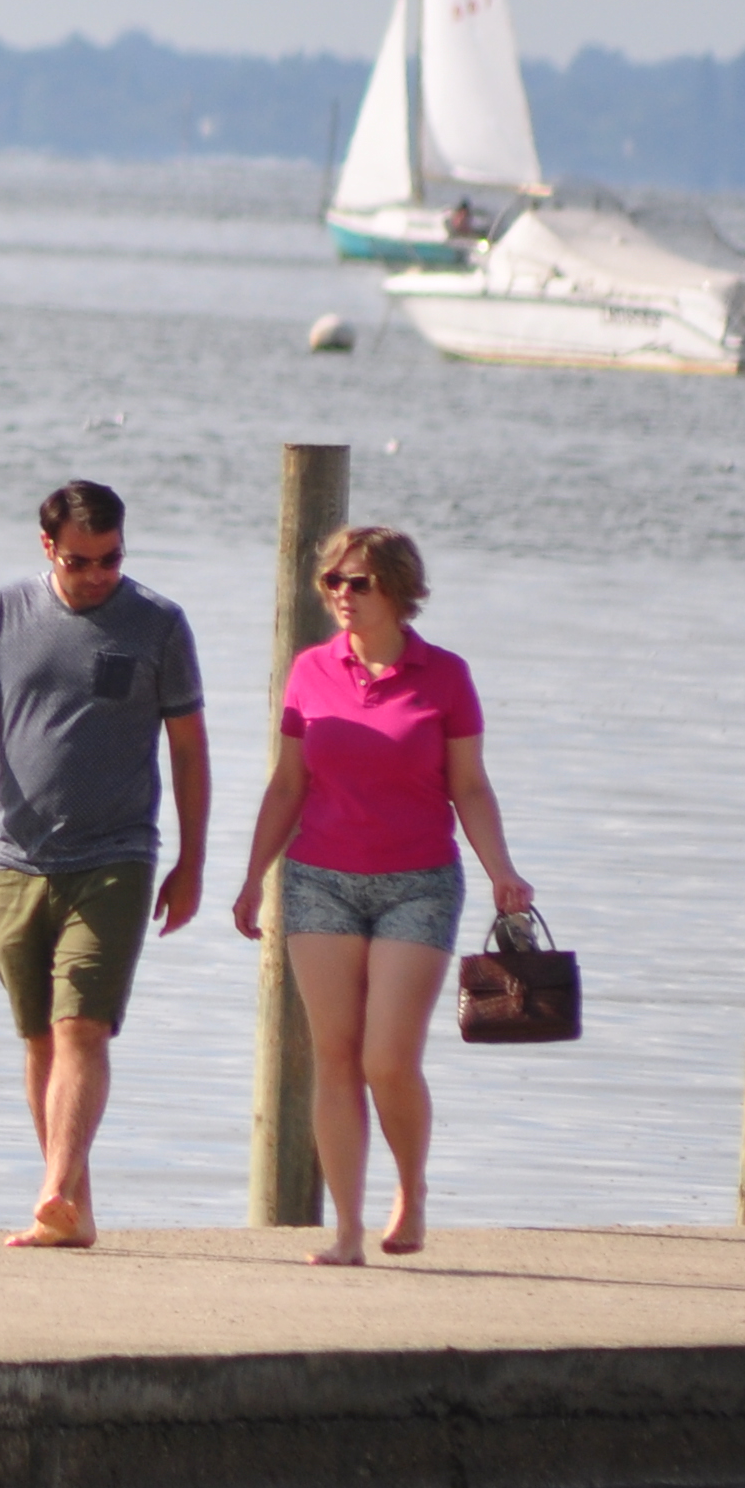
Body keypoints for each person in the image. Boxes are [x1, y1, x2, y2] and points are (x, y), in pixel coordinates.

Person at [0, 482, 210, 1249]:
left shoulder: (159, 625)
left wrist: (193, 860)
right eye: (82, 562)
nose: (99, 575)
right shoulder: (5, 613)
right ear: (47, 547)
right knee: (41, 1039)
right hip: (16, 859)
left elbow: (188, 750)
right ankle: (72, 1213)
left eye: (112, 559)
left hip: (116, 855)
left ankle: (49, 1189)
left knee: (82, 1026)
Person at [227, 525, 533, 1267]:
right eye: (331, 582)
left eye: (357, 583)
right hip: (319, 881)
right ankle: (347, 1233)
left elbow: (469, 786)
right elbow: (287, 784)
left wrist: (503, 871)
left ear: (396, 588)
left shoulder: (446, 676)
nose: (341, 596)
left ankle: (411, 1190)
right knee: (334, 1056)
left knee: (386, 1057)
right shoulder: (309, 670)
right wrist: (249, 877)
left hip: (418, 883)